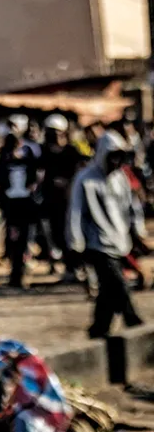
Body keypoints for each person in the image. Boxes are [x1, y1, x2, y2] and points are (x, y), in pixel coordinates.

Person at [68, 131, 147, 338]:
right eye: (112, 156)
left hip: (119, 240)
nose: (116, 161)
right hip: (97, 243)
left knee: (107, 290)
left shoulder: (121, 179)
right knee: (118, 284)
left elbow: (132, 209)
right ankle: (134, 321)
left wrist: (137, 234)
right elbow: (75, 212)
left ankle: (99, 328)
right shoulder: (86, 179)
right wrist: (76, 243)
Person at [41, 115, 84, 280]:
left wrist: (67, 184)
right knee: (56, 235)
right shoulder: (45, 152)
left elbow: (79, 172)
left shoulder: (71, 152)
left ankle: (76, 267)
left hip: (70, 202)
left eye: (57, 133)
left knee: (72, 236)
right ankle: (65, 266)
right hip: (51, 202)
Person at [0, 133, 41, 289]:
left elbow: (36, 174)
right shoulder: (4, 161)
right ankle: (15, 276)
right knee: (14, 241)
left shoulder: (29, 158)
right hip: (12, 206)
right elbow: (0, 180)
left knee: (26, 242)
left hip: (26, 205)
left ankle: (23, 275)